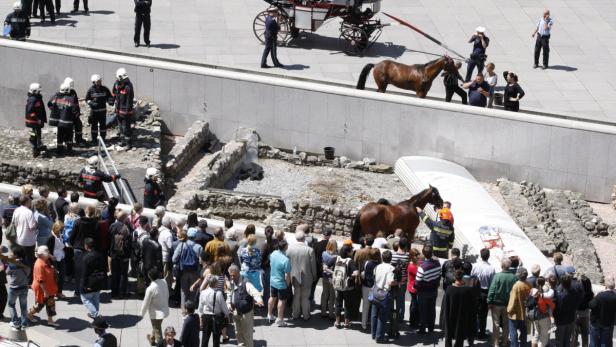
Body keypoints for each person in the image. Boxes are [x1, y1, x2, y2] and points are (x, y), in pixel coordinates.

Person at [227, 264, 264, 347]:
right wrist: (229, 303)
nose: (232, 277)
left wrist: (259, 299)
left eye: (233, 275)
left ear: (238, 273)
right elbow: (229, 294)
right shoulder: (231, 282)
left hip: (246, 314)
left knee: (247, 334)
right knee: (238, 332)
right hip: (236, 312)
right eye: (230, 276)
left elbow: (253, 291)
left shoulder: (245, 282)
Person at [442, 269, 479, 347]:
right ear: (462, 277)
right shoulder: (467, 290)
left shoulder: (449, 289)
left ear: (455, 278)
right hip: (461, 317)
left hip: (450, 315)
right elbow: (471, 306)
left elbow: (445, 305)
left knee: (448, 336)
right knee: (460, 336)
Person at [286, 229, 317, 320]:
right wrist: (314, 276)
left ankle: (295, 314)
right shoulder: (310, 250)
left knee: (296, 295)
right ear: (304, 239)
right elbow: (313, 266)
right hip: (307, 277)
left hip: (294, 276)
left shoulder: (290, 249)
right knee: (305, 297)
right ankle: (306, 315)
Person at [487, 258, 517, 347]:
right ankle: (505, 342)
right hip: (508, 304)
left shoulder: (497, 276)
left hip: (496, 304)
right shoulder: (514, 277)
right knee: (506, 324)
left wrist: (489, 301)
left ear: (502, 266)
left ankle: (496, 343)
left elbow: (492, 290)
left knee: (496, 324)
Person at [71, 205, 99, 296]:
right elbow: (97, 236)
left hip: (78, 248)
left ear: (86, 211)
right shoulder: (95, 223)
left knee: (78, 272)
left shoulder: (78, 222)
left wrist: (73, 244)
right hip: (90, 249)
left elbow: (72, 236)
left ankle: (78, 291)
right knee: (88, 271)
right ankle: (87, 289)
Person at [27, 246, 58, 327]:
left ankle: (50, 320)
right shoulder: (39, 265)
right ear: (41, 255)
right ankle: (29, 314)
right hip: (42, 289)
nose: (48, 254)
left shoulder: (46, 260)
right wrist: (45, 292)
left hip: (49, 286)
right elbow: (41, 281)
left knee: (50, 303)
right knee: (40, 304)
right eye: (46, 253)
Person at [414, 245, 441, 335]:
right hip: (433, 291)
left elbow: (417, 282)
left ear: (424, 254)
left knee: (423, 311)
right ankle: (431, 328)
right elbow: (439, 275)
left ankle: (422, 330)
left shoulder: (422, 267)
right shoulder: (437, 264)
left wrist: (416, 288)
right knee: (432, 309)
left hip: (423, 292)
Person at [173, 228, 203, 307]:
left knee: (183, 291)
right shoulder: (199, 247)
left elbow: (174, 258)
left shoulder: (182, 245)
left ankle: (184, 311)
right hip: (195, 272)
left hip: (184, 271)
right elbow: (201, 262)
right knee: (193, 291)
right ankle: (191, 309)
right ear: (195, 236)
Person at [140, 267, 169, 346]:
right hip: (164, 310)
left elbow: (146, 303)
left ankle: (161, 345)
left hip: (156, 314)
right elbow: (167, 294)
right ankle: (152, 339)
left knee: (158, 331)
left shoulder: (150, 289)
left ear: (149, 276)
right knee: (156, 327)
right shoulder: (164, 282)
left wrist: (141, 314)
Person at [48, 82, 79, 154]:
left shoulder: (55, 96)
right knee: (69, 135)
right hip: (67, 121)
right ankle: (69, 150)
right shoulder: (70, 98)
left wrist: (54, 110)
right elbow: (74, 110)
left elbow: (49, 104)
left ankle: (59, 150)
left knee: (60, 135)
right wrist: (76, 116)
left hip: (59, 122)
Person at [372, 250, 396, 343]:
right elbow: (390, 282)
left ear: (382, 258)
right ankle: (379, 337)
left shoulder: (377, 266)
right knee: (382, 317)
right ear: (390, 258)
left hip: (375, 291)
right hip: (385, 293)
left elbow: (374, 277)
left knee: (374, 314)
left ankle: (374, 334)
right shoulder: (391, 268)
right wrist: (396, 282)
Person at [198, 275, 230, 347]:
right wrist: (227, 314)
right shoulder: (218, 294)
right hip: (216, 318)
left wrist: (200, 317)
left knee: (205, 337)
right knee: (216, 338)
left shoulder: (203, 292)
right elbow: (223, 307)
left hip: (206, 317)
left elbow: (200, 307)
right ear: (215, 283)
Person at [332, 243, 359, 329]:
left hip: (338, 285)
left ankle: (337, 322)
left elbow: (326, 266)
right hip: (348, 287)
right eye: (351, 250)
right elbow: (356, 273)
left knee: (338, 304)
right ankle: (346, 324)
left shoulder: (336, 258)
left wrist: (333, 274)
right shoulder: (350, 261)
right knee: (347, 305)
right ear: (348, 252)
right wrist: (352, 275)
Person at [471, 247, 495, 339]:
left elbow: (472, 278)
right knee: (483, 315)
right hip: (485, 293)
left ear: (481, 256)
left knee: (475, 312)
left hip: (476, 291)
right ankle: (481, 333)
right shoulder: (491, 269)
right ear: (488, 256)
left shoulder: (475, 266)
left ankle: (473, 331)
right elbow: (492, 284)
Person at [81, 237, 108, 319]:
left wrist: (84, 285)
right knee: (96, 297)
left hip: (90, 281)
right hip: (99, 280)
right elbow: (104, 268)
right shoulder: (100, 255)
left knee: (85, 299)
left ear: (86, 246)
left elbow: (84, 273)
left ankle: (95, 314)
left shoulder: (86, 258)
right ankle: (94, 314)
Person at [12, 196, 37, 279]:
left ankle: (20, 277)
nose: (31, 203)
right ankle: (29, 280)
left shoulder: (16, 210)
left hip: (19, 239)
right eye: (30, 201)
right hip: (28, 241)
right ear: (26, 202)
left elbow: (13, 223)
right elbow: (31, 227)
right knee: (29, 261)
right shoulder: (29, 212)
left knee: (20, 259)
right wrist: (36, 224)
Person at [6, 245, 31, 330]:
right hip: (24, 287)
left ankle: (16, 322)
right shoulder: (26, 263)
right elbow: (28, 273)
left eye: (11, 252)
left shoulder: (12, 264)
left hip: (14, 288)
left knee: (11, 304)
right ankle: (24, 324)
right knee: (23, 306)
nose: (10, 254)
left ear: (16, 255)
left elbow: (7, 272)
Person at [109, 210, 132, 299]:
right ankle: (122, 293)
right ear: (124, 218)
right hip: (123, 255)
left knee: (115, 274)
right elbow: (128, 243)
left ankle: (114, 292)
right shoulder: (126, 228)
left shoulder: (112, 226)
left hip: (114, 254)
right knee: (123, 274)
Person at [268, 239, 291, 326]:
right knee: (282, 301)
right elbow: (287, 275)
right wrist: (287, 284)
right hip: (281, 283)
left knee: (272, 297)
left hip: (272, 280)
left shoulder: (273, 253)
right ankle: (280, 319)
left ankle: (269, 315)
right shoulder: (286, 260)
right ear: (285, 247)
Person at [588, 275, 616, 347]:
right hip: (608, 324)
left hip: (596, 323)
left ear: (606, 284)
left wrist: (595, 296)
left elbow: (591, 305)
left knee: (593, 343)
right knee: (605, 343)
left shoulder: (600, 296)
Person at [390, 237, 410, 336]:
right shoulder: (407, 256)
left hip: (393, 282)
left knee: (391, 299)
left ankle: (391, 316)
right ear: (406, 246)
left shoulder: (392, 255)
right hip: (402, 282)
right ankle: (400, 318)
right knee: (401, 301)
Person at [507, 267, 532, 347]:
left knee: (513, 331)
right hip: (524, 312)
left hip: (515, 313)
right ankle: (523, 345)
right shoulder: (529, 284)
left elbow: (513, 300)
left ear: (518, 275)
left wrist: (509, 310)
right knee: (523, 331)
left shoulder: (516, 286)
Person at [85, 74, 113, 143]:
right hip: (94, 112)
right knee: (94, 126)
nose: (100, 82)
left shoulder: (105, 89)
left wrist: (110, 101)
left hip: (102, 111)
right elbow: (87, 99)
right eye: (98, 81)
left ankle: (103, 139)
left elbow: (109, 97)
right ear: (94, 82)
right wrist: (91, 103)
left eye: (100, 81)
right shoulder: (91, 90)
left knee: (103, 126)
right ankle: (94, 140)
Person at [112, 68, 135, 148]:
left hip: (125, 112)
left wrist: (126, 112)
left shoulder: (128, 87)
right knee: (120, 127)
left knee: (126, 128)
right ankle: (122, 141)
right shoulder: (116, 84)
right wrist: (112, 101)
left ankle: (129, 144)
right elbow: (114, 93)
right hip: (118, 110)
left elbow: (129, 101)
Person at [530, 277, 555, 347]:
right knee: (543, 338)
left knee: (536, 334)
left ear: (537, 283)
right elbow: (551, 297)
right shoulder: (547, 291)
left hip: (535, 316)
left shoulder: (534, 291)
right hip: (544, 317)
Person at [25, 83, 47, 157]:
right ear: (34, 91)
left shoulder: (37, 98)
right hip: (34, 121)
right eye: (38, 91)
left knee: (37, 133)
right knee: (34, 134)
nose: (39, 92)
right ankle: (35, 149)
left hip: (36, 121)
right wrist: (37, 119)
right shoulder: (32, 99)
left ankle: (38, 146)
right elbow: (30, 111)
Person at [45, 221, 66, 299]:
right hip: (53, 259)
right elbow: (47, 250)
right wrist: (51, 257)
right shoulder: (50, 237)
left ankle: (59, 292)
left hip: (61, 257)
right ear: (56, 229)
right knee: (54, 277)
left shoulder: (60, 235)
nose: (62, 231)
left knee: (62, 275)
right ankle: (53, 293)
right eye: (61, 229)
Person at [573, 275, 594, 347]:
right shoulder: (590, 294)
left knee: (574, 334)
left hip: (576, 314)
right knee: (585, 334)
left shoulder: (577, 292)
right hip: (585, 314)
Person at [158, 214, 175, 293]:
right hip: (166, 256)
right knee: (165, 275)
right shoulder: (168, 234)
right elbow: (170, 247)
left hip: (160, 254)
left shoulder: (160, 230)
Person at [321, 239, 337, 319]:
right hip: (332, 278)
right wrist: (333, 273)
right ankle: (331, 314)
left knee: (324, 294)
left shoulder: (324, 253)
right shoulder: (336, 256)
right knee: (332, 296)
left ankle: (323, 312)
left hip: (324, 277)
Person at [406, 248, 421, 328]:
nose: (418, 256)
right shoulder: (412, 266)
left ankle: (414, 321)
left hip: (415, 287)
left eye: (418, 254)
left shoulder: (416, 263)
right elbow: (420, 272)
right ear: (412, 256)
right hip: (413, 287)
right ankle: (413, 322)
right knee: (415, 305)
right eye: (416, 255)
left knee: (414, 304)